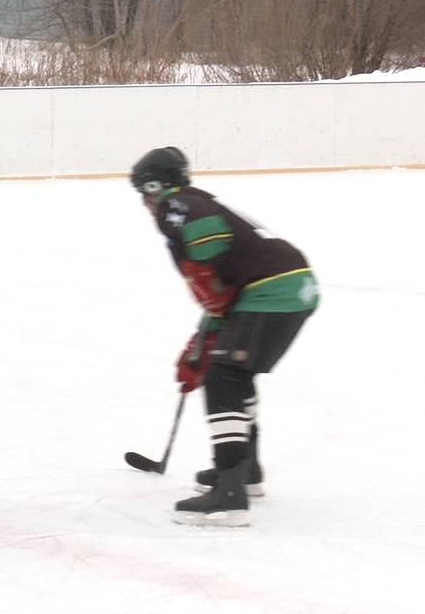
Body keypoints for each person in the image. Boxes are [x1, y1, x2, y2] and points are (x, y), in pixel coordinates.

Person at [131, 147, 319, 527]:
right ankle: (245, 473)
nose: (144, 203)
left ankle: (229, 496)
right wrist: (205, 337)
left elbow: (209, 253)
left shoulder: (178, 205)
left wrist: (207, 306)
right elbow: (222, 295)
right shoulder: (193, 200)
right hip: (288, 285)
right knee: (234, 370)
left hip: (272, 290)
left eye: (144, 192)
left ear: (156, 185)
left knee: (224, 375)